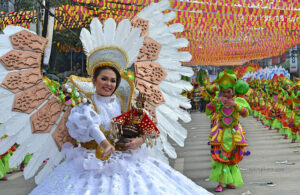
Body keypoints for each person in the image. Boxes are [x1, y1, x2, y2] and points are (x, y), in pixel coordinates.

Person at [30, 65, 211, 194]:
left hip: (126, 158)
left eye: (113, 80)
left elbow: (145, 128)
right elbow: (91, 126)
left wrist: (138, 141)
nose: (108, 84)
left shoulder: (123, 103)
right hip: (91, 161)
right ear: (94, 80)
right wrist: (104, 143)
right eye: (104, 79)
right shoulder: (85, 105)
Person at [206, 71, 251, 192]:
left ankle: (230, 181)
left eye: (228, 92)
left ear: (233, 92)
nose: (226, 94)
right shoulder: (218, 100)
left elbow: (246, 113)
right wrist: (215, 102)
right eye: (223, 92)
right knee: (221, 158)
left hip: (233, 133)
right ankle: (221, 183)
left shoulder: (238, 101)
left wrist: (235, 105)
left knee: (232, 157)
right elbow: (208, 111)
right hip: (220, 134)